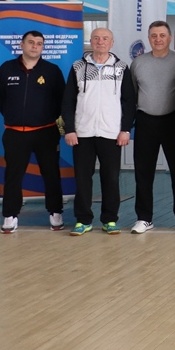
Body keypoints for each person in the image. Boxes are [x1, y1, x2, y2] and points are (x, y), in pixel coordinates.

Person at [61, 28, 135, 236]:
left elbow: (129, 102)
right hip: (82, 133)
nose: (100, 42)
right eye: (96, 38)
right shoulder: (78, 67)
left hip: (111, 133)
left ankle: (109, 219)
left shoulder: (121, 68)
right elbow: (68, 101)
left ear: (112, 43)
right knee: (82, 179)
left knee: (111, 178)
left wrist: (125, 130)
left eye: (105, 38)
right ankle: (83, 220)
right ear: (91, 41)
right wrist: (70, 129)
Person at [0, 30, 66, 233]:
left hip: (46, 132)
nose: (35, 46)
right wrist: (15, 116)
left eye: (39, 43)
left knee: (51, 174)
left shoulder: (52, 71)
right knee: (13, 175)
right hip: (15, 133)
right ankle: (10, 215)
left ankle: (55, 212)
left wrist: (45, 118)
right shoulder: (6, 69)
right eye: (31, 42)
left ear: (43, 47)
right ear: (22, 45)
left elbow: (61, 100)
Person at [129, 21, 175, 234]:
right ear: (149, 38)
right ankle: (144, 218)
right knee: (143, 172)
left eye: (162, 35)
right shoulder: (138, 63)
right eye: (154, 35)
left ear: (169, 37)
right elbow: (133, 94)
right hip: (146, 121)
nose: (158, 39)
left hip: (174, 122)